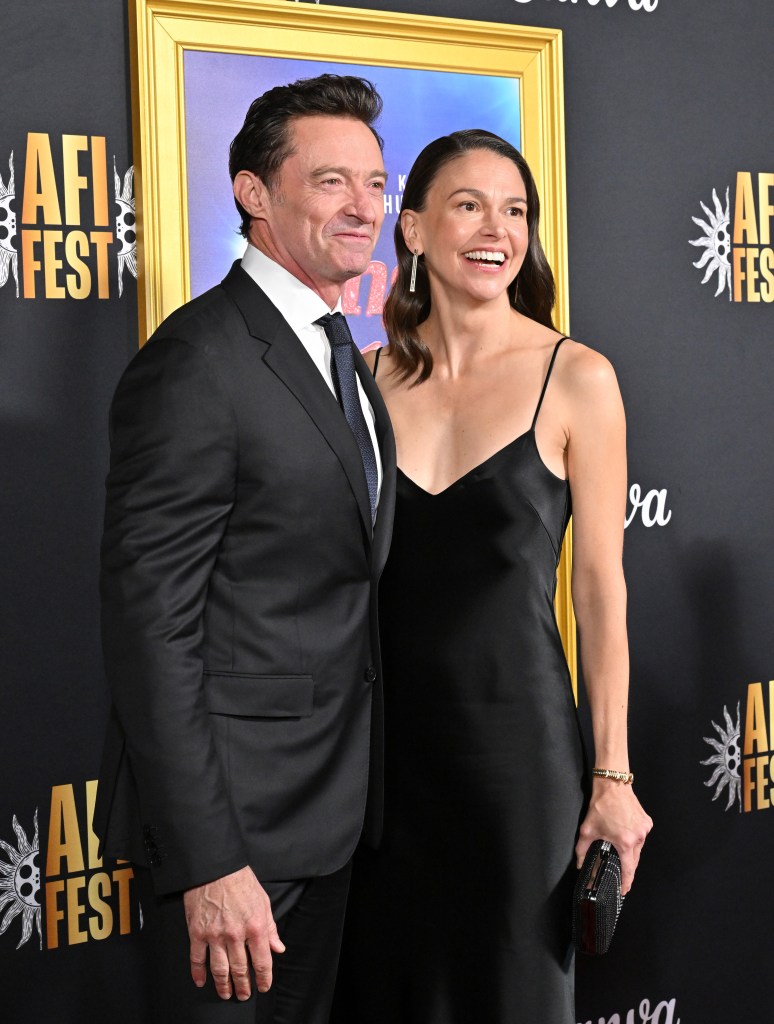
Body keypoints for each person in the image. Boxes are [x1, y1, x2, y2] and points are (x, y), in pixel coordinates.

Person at [331, 129, 652, 1023]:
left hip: (520, 765)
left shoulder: (577, 377)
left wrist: (613, 776)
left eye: (516, 210)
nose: (497, 229)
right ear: (414, 230)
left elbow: (599, 590)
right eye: (469, 204)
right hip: (381, 771)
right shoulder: (361, 381)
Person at [93, 74, 396, 1024]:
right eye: (333, 181)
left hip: (331, 819)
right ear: (253, 194)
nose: (364, 208)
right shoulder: (195, 363)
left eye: (376, 185)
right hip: (237, 846)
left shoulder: (341, 347)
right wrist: (211, 862)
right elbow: (152, 629)